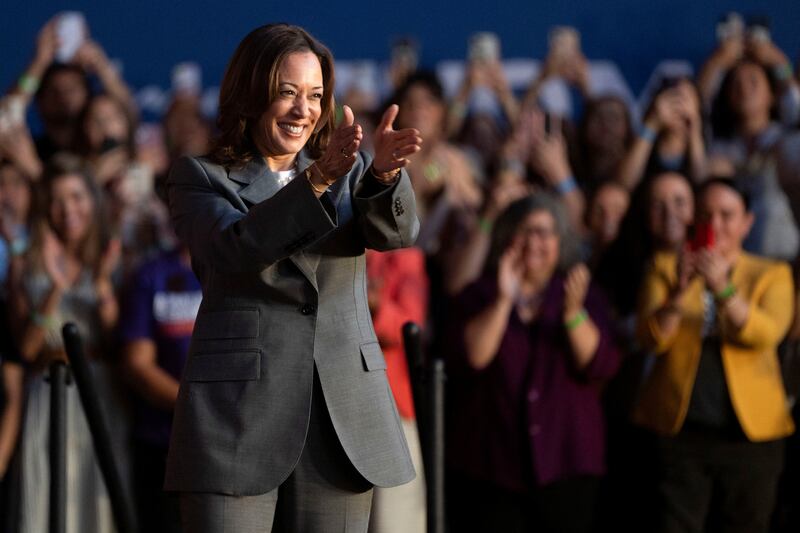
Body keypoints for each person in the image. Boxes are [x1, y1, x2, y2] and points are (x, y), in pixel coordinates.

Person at [164, 24, 423, 532]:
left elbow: (398, 233)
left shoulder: (352, 172)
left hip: (341, 417)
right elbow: (234, 249)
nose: (303, 111)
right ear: (250, 93)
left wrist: (386, 177)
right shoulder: (199, 177)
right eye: (287, 93)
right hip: (237, 418)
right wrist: (318, 179)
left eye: (315, 96)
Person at [446, 194, 619, 533]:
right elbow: (473, 358)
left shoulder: (580, 295)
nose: (535, 243)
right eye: (526, 232)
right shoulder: (479, 294)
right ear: (507, 237)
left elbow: (599, 365)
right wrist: (503, 301)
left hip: (567, 464)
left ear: (560, 242)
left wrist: (572, 314)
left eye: (545, 233)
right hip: (492, 465)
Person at [635, 177, 795, 533]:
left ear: (746, 222)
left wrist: (723, 288)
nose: (716, 225)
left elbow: (765, 333)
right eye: (707, 214)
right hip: (682, 432)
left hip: (751, 437)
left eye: (727, 214)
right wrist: (678, 294)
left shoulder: (772, 273)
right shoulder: (665, 266)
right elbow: (650, 339)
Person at [7, 155, 128, 533]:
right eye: (57, 200)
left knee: (98, 504)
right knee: (46, 499)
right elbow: (25, 350)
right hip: (46, 392)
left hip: (100, 393)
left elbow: (117, 344)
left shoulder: (111, 257)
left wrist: (105, 287)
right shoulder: (25, 264)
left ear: (92, 201)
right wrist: (55, 289)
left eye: (76, 197)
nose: (67, 210)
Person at [120, 244, 201, 533]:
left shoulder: (244, 268)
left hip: (233, 446)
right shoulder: (151, 275)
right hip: (162, 444)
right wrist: (200, 410)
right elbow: (137, 366)